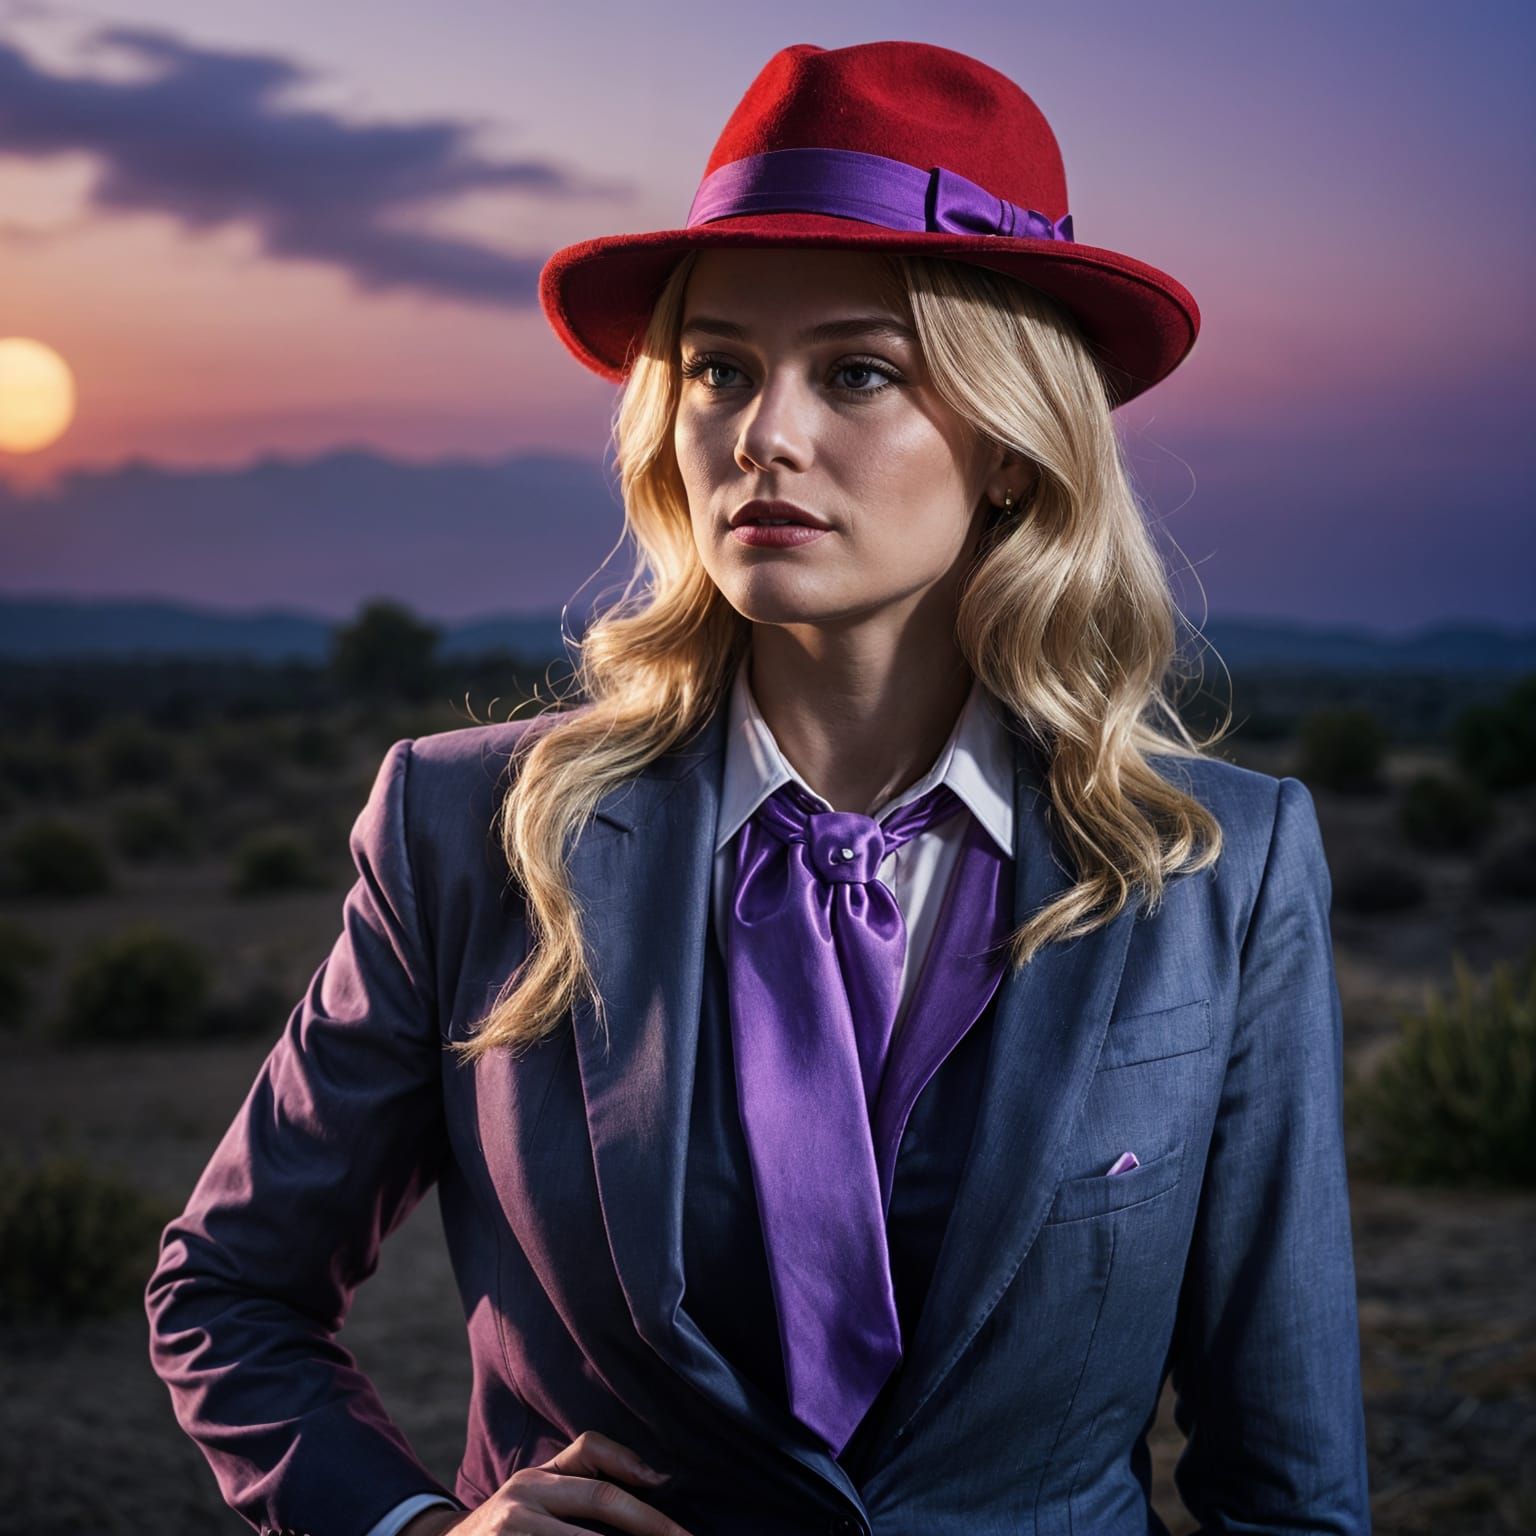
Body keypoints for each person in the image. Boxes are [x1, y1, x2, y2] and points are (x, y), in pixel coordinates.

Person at [145, 38, 1372, 1536]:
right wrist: (411, 1533)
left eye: (857, 371)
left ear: (1008, 442)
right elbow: (227, 1289)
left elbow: (1288, 1478)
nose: (761, 434)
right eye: (720, 367)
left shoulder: (1222, 871)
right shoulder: (465, 830)